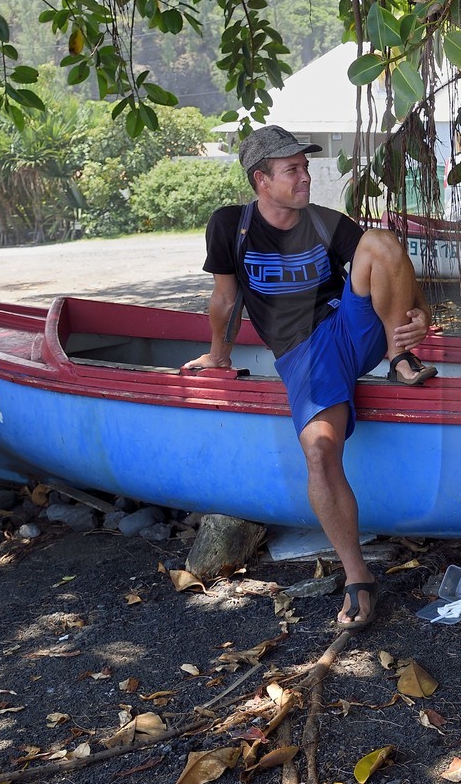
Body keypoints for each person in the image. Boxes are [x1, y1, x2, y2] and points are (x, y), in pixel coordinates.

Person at [183, 125, 434, 633]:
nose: (305, 178)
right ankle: (357, 575)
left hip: (352, 328)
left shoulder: (325, 222)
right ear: (261, 180)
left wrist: (421, 317)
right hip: (303, 354)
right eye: (292, 170)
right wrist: (216, 357)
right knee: (320, 450)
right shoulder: (231, 226)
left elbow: (393, 267)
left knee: (381, 240)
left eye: (305, 167)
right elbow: (226, 301)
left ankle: (400, 357)